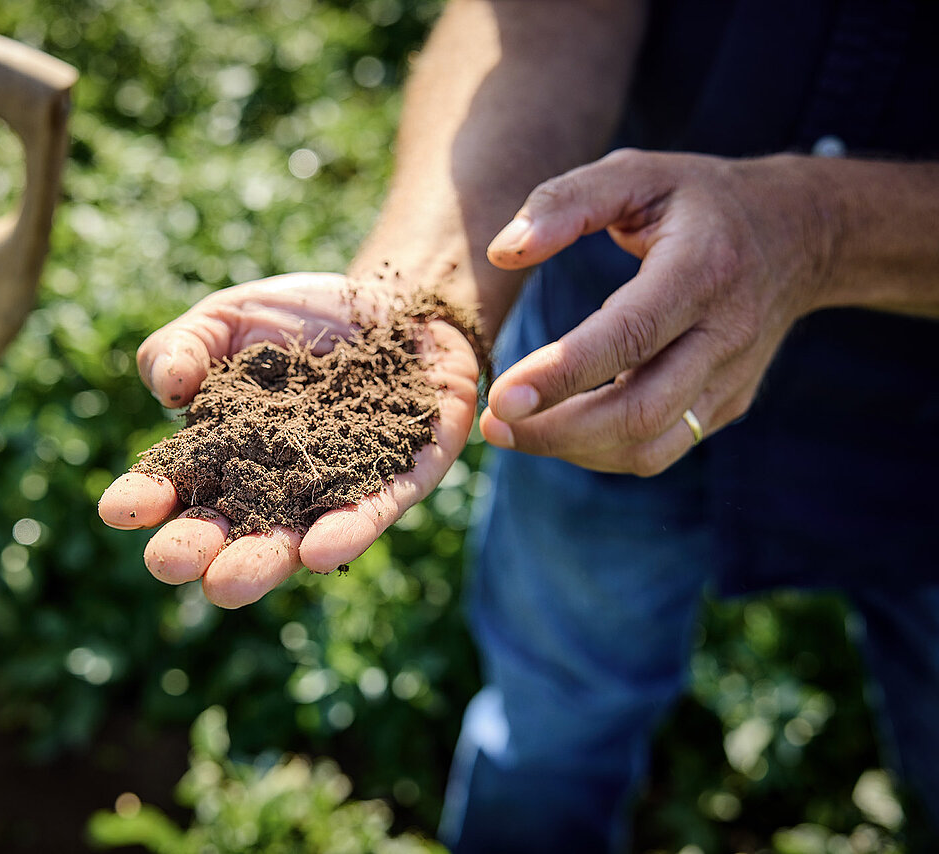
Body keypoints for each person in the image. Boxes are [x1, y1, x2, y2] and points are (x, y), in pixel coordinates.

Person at [99, 0, 939, 849]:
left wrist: (819, 230)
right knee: (553, 709)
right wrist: (429, 292)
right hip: (601, 356)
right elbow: (546, 26)